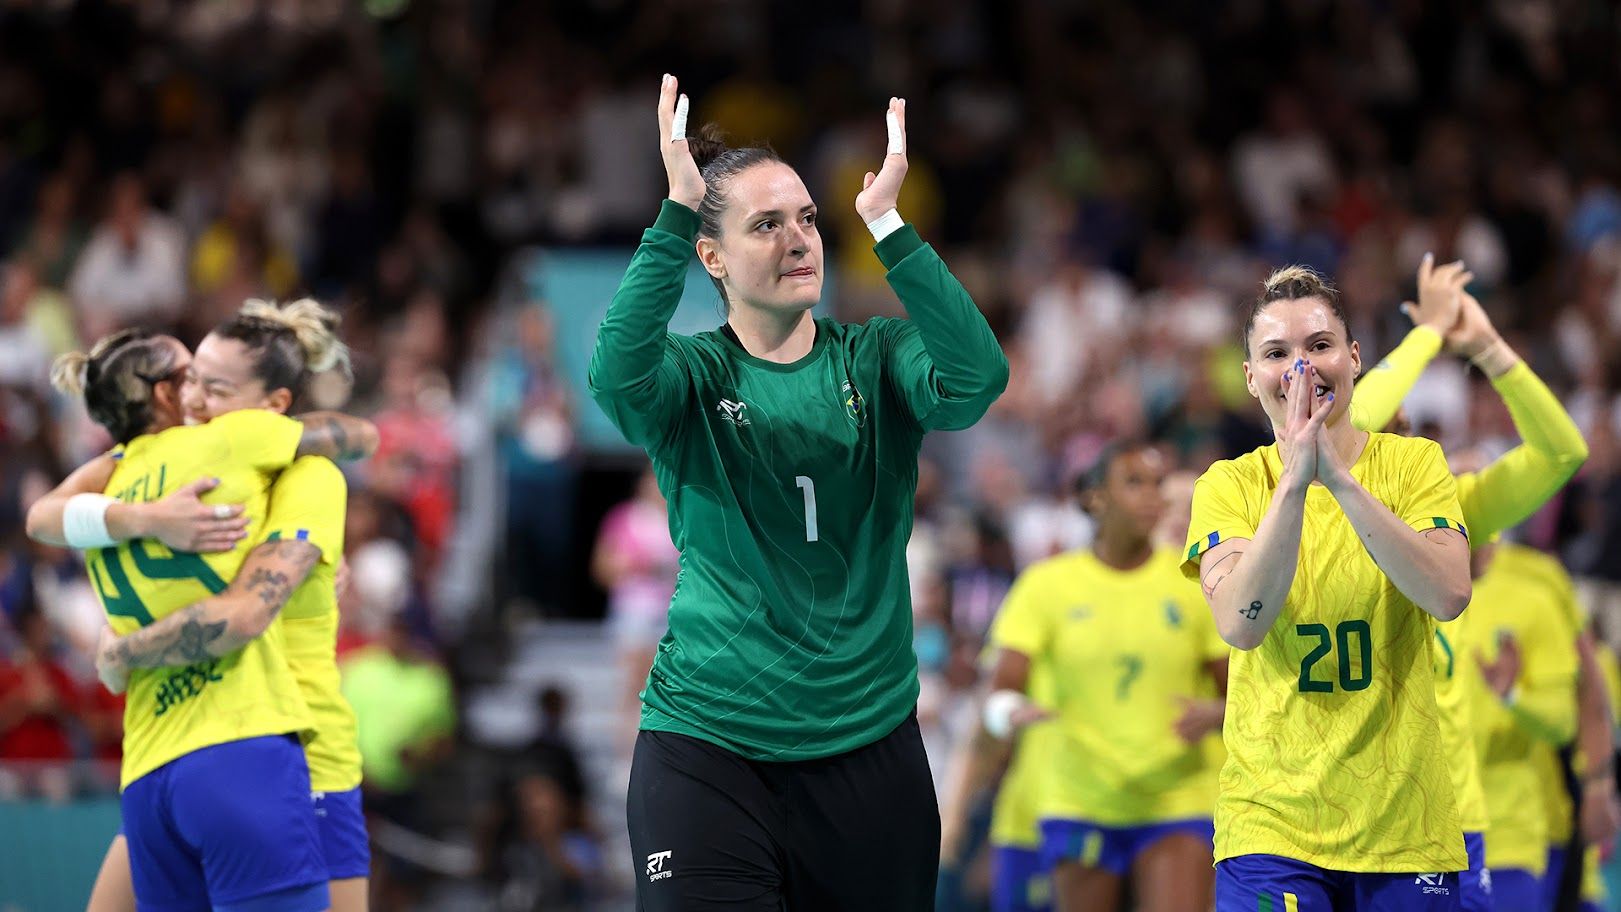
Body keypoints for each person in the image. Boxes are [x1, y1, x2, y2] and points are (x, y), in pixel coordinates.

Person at [589, 75, 1007, 910]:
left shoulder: (878, 359)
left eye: (809, 218)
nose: (798, 239)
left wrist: (888, 226)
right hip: (707, 749)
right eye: (767, 224)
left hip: (868, 748)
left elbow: (976, 378)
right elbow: (614, 373)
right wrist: (674, 213)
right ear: (711, 257)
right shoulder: (693, 376)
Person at [27, 314, 375, 912]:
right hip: (187, 749)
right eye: (191, 382)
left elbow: (244, 611)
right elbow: (44, 514)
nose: (193, 398)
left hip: (301, 756)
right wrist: (145, 519)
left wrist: (120, 648)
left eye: (214, 388)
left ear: (274, 405)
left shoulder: (305, 473)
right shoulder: (163, 459)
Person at [1183, 266, 1473, 911]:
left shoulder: (1415, 464)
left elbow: (1450, 595)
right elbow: (1241, 624)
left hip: (1407, 826)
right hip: (1271, 827)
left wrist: (1339, 479)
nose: (1301, 369)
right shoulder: (1228, 486)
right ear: (1249, 377)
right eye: (1276, 354)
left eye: (1319, 345)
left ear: (1355, 358)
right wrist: (1294, 482)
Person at [1351, 256, 1597, 912]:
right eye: (1394, 431)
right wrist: (1428, 332)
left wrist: (1484, 346)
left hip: (1457, 820)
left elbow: (1563, 452)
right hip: (1354, 816)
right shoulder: (1331, 513)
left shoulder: (1452, 514)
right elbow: (1355, 422)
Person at [977, 443, 1224, 912]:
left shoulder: (1193, 582)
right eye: (1134, 483)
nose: (1153, 497)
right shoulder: (1046, 586)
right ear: (1095, 499)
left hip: (1178, 796)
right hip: (1080, 798)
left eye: (1157, 484)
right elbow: (1001, 690)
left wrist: (1219, 711)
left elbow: (1244, 693)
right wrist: (1009, 711)